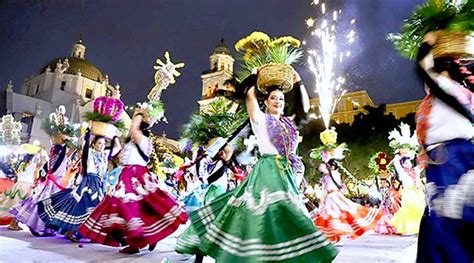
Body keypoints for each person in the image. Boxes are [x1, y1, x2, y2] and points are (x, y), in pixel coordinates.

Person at [182, 71, 338, 262]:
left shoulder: (289, 123)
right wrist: (256, 77)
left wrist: (298, 82)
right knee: (273, 215)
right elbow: (249, 95)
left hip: (288, 173)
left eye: (281, 98)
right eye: (273, 98)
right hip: (268, 171)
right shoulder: (261, 119)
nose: (278, 101)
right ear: (266, 101)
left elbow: (303, 109)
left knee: (284, 217)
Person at [78, 109, 188, 254]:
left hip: (134, 176)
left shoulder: (142, 140)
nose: (131, 133)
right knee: (134, 209)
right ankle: (138, 242)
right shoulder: (135, 142)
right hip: (129, 175)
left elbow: (134, 128)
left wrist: (139, 113)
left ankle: (141, 241)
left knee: (129, 208)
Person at [415, 31, 474, 263]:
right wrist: (429, 41)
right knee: (452, 218)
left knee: (450, 219)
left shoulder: (454, 89)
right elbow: (423, 67)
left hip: (456, 156)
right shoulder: (447, 89)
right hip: (450, 156)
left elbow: (423, 66)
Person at [38, 130, 121, 242]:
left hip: (99, 184)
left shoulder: (105, 154)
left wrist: (115, 135)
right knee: (81, 206)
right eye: (99, 143)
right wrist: (87, 135)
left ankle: (90, 233)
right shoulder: (89, 152)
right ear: (93, 144)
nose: (101, 146)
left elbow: (117, 148)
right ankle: (70, 231)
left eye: (103, 144)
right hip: (88, 182)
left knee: (96, 209)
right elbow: (83, 145)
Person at [10, 135, 72, 236]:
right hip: (53, 185)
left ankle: (42, 227)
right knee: (47, 205)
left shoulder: (54, 157)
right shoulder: (58, 157)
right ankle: (40, 226)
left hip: (50, 183)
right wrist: (67, 141)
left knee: (39, 203)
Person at [313, 161, 382, 244]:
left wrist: (326, 158)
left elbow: (329, 176)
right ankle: (334, 238)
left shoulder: (335, 174)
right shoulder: (326, 177)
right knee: (329, 218)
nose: (321, 168)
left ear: (332, 167)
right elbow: (324, 190)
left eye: (323, 166)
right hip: (329, 198)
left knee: (337, 216)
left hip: (335, 197)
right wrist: (322, 200)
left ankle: (338, 238)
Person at [0, 154, 42, 230]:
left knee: (16, 205)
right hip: (26, 186)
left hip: (18, 185)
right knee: (21, 206)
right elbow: (40, 167)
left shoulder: (20, 165)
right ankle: (13, 224)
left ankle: (13, 223)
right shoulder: (32, 165)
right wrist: (41, 154)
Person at [389, 154, 425, 235]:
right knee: (408, 209)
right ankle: (407, 229)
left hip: (417, 192)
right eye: (407, 163)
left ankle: (418, 228)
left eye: (410, 163)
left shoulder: (415, 170)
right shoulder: (402, 172)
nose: (410, 164)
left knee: (419, 210)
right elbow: (396, 163)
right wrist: (399, 155)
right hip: (408, 192)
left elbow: (423, 165)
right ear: (404, 165)